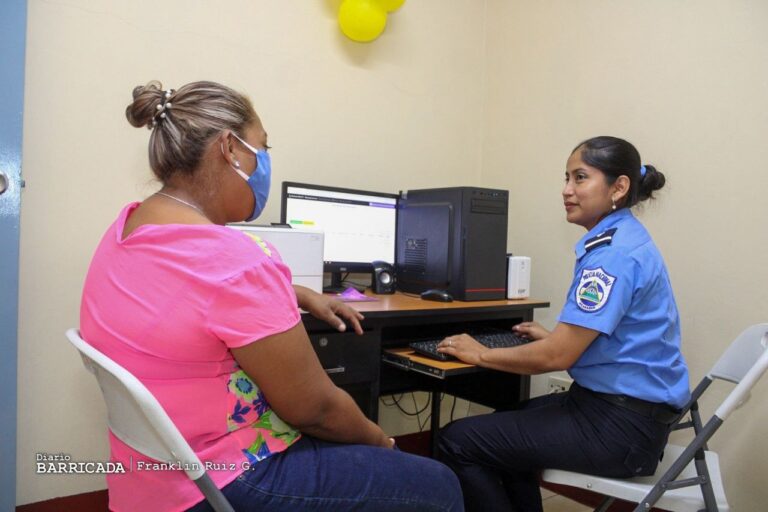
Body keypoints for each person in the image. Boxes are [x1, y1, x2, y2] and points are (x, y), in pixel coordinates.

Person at [80, 80, 462, 512]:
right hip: (219, 481)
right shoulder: (234, 260)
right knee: (439, 485)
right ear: (230, 149)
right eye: (262, 148)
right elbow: (315, 410)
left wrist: (292, 292)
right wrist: (381, 442)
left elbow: (182, 299)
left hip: (147, 477)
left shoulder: (128, 229)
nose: (265, 163)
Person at [435, 136, 690, 512]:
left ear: (618, 186)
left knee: (456, 441)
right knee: (503, 434)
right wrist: (554, 338)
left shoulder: (612, 255)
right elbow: (604, 337)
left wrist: (481, 353)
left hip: (620, 429)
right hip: (624, 413)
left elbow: (557, 356)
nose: (566, 191)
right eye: (566, 179)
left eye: (580, 178)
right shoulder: (623, 238)